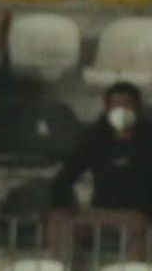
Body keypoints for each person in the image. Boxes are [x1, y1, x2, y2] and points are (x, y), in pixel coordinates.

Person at [47, 82, 152, 259]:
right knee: (58, 223)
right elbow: (64, 178)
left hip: (140, 214)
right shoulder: (95, 140)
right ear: (107, 108)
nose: (122, 111)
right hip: (101, 212)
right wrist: (60, 206)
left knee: (137, 224)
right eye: (116, 105)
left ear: (137, 108)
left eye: (127, 105)